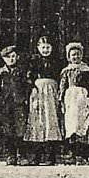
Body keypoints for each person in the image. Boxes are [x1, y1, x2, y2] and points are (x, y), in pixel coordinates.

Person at [23, 35, 64, 165]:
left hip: (51, 91)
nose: (45, 50)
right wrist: (32, 87)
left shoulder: (56, 61)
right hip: (38, 91)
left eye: (48, 47)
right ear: (38, 47)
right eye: (43, 47)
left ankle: (50, 157)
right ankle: (36, 156)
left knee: (50, 121)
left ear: (51, 48)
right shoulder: (34, 61)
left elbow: (60, 76)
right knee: (37, 121)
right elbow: (29, 76)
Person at [60, 42, 89, 163]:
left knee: (82, 123)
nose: (75, 57)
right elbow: (62, 86)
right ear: (69, 57)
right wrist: (61, 99)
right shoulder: (66, 71)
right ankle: (72, 153)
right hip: (70, 98)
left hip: (82, 98)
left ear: (81, 55)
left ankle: (83, 153)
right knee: (71, 125)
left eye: (77, 54)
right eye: (73, 55)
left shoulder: (86, 71)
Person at [0, 45, 30, 165]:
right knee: (7, 130)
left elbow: (26, 86)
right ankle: (10, 155)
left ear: (18, 57)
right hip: (5, 105)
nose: (11, 59)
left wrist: (25, 99)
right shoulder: (1, 72)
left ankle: (21, 155)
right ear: (4, 59)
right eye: (8, 57)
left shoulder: (21, 71)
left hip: (19, 103)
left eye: (13, 56)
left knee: (20, 129)